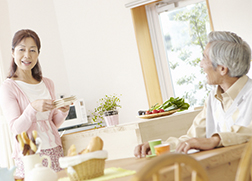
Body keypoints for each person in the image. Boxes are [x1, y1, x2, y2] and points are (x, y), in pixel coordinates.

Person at [134, 31, 252, 158]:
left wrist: (214, 140)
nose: (201, 64)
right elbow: (193, 137)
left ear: (222, 69)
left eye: (205, 58)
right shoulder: (213, 98)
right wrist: (160, 147)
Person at [0, 29, 70, 177]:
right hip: (31, 155)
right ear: (13, 52)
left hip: (55, 149)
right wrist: (32, 108)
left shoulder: (48, 83)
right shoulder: (8, 87)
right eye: (22, 50)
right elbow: (16, 129)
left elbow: (51, 123)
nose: (27, 55)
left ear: (38, 53)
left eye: (33, 50)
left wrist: (63, 111)